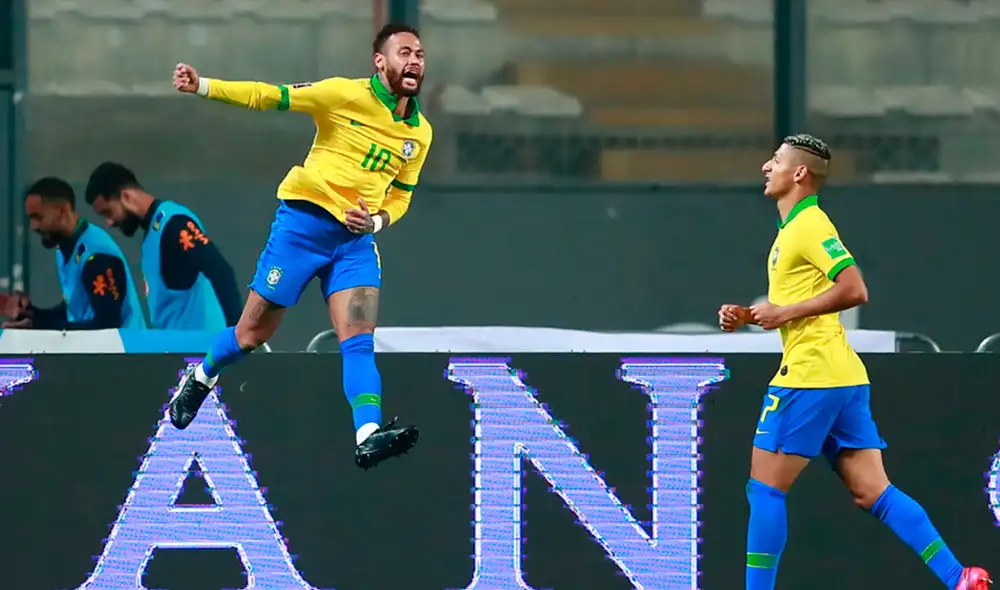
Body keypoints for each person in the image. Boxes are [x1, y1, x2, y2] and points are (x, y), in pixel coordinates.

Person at [718, 134, 991, 590]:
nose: (766, 167)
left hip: (811, 376)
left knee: (764, 490)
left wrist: (782, 312)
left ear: (799, 174)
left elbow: (854, 288)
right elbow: (804, 305)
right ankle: (960, 578)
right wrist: (750, 315)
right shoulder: (793, 230)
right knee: (874, 492)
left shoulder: (810, 226)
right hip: (842, 375)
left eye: (777, 161)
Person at [167, 22, 432, 470]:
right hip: (301, 229)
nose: (414, 61)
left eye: (420, 54)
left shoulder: (419, 133)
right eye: (404, 52)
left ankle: (368, 433)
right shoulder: (341, 95)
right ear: (380, 61)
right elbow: (269, 96)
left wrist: (378, 220)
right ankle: (202, 375)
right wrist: (203, 86)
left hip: (355, 244)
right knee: (252, 334)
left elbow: (402, 195)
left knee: (358, 340)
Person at [84, 162, 242, 331]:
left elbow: (220, 270)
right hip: (177, 349)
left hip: (200, 349)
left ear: (127, 197)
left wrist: (237, 337)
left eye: (108, 212)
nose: (109, 223)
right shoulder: (153, 236)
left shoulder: (173, 224)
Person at [1, 177, 145, 331]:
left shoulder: (96, 255)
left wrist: (41, 326)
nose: (34, 226)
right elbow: (76, 311)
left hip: (126, 352)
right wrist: (33, 315)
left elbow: (106, 327)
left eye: (38, 217)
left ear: (63, 210)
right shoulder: (65, 248)